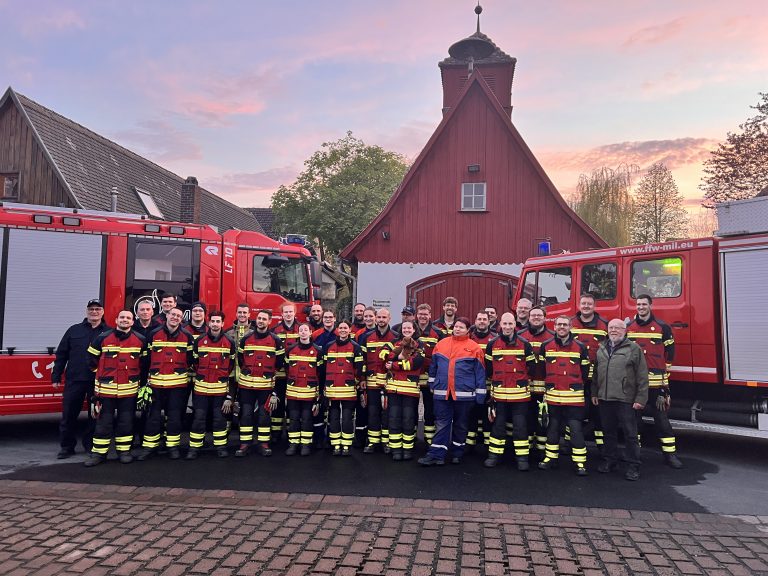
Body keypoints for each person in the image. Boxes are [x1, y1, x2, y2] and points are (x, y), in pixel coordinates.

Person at [418, 317, 486, 466]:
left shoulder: (474, 348)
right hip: (442, 392)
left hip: (464, 395)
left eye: (461, 327)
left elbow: (480, 373)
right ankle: (436, 455)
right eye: (456, 326)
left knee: (461, 425)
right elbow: (433, 367)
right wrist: (432, 384)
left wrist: (480, 394)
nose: (457, 329)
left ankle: (457, 453)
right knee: (442, 424)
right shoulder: (441, 344)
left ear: (468, 330)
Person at [84, 309, 147, 467]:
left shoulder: (140, 340)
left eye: (128, 318)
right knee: (103, 423)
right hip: (105, 390)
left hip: (129, 390)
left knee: (126, 422)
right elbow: (91, 360)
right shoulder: (102, 338)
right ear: (116, 320)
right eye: (122, 317)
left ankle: (124, 452)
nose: (125, 320)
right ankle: (99, 453)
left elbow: (144, 363)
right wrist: (100, 374)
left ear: (133, 322)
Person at [627, 294, 683, 469]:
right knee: (635, 421)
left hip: (657, 385)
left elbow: (670, 350)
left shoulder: (662, 327)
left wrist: (665, 376)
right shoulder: (629, 327)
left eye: (644, 304)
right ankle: (635, 454)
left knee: (661, 420)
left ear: (650, 305)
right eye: (638, 304)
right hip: (636, 385)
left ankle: (670, 455)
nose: (641, 307)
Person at [52, 298, 109, 458]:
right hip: (75, 380)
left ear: (102, 312)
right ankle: (66, 447)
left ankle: (90, 445)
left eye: (97, 309)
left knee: (94, 416)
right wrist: (56, 375)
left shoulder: (109, 332)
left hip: (97, 382)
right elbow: (62, 354)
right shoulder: (74, 330)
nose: (94, 312)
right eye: (91, 309)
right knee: (69, 415)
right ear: (86, 311)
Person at [592, 319, 649, 481]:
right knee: (608, 432)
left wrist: (641, 398)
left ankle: (633, 465)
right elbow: (596, 374)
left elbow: (642, 375)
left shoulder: (634, 349)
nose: (613, 330)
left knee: (630, 434)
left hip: (625, 399)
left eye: (617, 328)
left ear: (625, 330)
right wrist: (595, 393)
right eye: (611, 327)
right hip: (605, 398)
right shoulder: (602, 348)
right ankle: (610, 461)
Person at [137, 307, 193, 460]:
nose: (175, 317)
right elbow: (145, 359)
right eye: (173, 314)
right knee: (153, 417)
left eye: (178, 316)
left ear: (181, 319)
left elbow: (190, 359)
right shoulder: (153, 334)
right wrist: (145, 382)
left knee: (174, 417)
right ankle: (150, 447)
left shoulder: (187, 336)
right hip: (155, 384)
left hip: (177, 386)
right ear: (167, 315)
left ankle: (172, 447)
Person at [539, 316, 591, 476]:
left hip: (574, 397)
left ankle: (580, 462)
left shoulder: (580, 347)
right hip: (553, 395)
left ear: (570, 327)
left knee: (575, 429)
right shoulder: (545, 346)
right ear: (554, 326)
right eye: (559, 324)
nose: (562, 327)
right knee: (553, 428)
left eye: (565, 324)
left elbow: (585, 372)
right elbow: (542, 370)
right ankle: (550, 458)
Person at [483, 312, 536, 470]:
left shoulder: (525, 344)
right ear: (500, 324)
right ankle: (494, 456)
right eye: (505, 324)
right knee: (498, 425)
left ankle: (522, 458)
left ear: (515, 324)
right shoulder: (492, 344)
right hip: (499, 395)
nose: (507, 327)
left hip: (520, 396)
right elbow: (489, 368)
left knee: (520, 426)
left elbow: (532, 367)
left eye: (510, 324)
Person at [186, 311, 236, 460]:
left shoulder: (229, 342)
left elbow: (230, 366)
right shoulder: (199, 341)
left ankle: (220, 447)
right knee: (199, 418)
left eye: (218, 321)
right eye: (212, 321)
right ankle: (194, 447)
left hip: (220, 389)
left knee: (219, 418)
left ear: (222, 323)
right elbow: (195, 362)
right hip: (201, 389)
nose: (215, 324)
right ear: (209, 323)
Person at [235, 309, 284, 457]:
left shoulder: (276, 340)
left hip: (265, 386)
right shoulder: (246, 339)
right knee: (246, 414)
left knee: (264, 415)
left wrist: (272, 386)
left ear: (269, 321)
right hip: (246, 385)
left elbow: (279, 364)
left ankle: (263, 443)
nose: (261, 321)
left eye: (264, 319)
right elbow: (241, 359)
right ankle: (245, 444)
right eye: (259, 318)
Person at [571, 293, 608, 452]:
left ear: (594, 306)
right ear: (579, 305)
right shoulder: (570, 324)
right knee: (574, 413)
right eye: (583, 303)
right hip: (576, 377)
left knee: (598, 413)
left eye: (589, 304)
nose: (586, 306)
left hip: (597, 378)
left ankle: (602, 447)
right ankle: (571, 444)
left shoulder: (604, 325)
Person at [358, 308, 398, 453]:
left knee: (387, 412)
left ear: (389, 318)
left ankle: (386, 442)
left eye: (384, 317)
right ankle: (373, 442)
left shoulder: (395, 337)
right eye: (379, 317)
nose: (381, 320)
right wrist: (362, 378)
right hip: (371, 381)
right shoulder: (366, 337)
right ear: (376, 318)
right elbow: (361, 359)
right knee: (373, 411)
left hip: (389, 382)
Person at [384, 321, 425, 461]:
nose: (406, 330)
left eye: (409, 328)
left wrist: (395, 365)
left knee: (408, 418)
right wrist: (399, 358)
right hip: (393, 388)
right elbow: (385, 357)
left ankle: (407, 449)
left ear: (414, 330)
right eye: (404, 328)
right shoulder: (393, 342)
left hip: (410, 389)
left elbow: (416, 363)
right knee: (394, 418)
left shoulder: (420, 344)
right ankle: (396, 449)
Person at [323, 320, 364, 456]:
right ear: (337, 329)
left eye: (345, 328)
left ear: (349, 330)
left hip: (348, 390)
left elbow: (359, 369)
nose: (343, 330)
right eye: (340, 328)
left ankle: (346, 445)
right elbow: (323, 367)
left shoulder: (355, 347)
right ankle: (335, 444)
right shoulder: (328, 346)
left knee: (347, 418)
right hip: (332, 389)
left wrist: (355, 382)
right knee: (334, 417)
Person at [517, 306, 554, 458]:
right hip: (524, 388)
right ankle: (526, 449)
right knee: (525, 419)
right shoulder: (519, 336)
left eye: (539, 315)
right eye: (533, 315)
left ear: (545, 318)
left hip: (543, 388)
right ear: (529, 317)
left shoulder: (552, 337)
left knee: (543, 421)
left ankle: (541, 450)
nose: (536, 318)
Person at [284, 323, 323, 456]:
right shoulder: (290, 350)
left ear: (310, 332)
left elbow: (320, 373)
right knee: (293, 418)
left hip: (309, 392)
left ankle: (306, 444)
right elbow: (287, 368)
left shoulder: (318, 351)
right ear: (298, 333)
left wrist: (318, 396)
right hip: (293, 391)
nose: (303, 332)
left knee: (307, 418)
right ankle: (293, 444)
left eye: (306, 330)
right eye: (301, 330)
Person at [415, 303, 443, 444]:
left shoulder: (438, 333)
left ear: (430, 315)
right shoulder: (410, 330)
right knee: (411, 409)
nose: (423, 317)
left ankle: (429, 438)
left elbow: (441, 357)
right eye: (420, 314)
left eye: (425, 314)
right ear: (417, 315)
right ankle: (411, 436)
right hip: (413, 378)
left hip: (429, 379)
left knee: (430, 409)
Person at [271, 303, 300, 443]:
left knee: (293, 405)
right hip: (280, 374)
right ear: (282, 314)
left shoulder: (301, 329)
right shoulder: (275, 330)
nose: (288, 314)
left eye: (290, 312)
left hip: (296, 374)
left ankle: (291, 431)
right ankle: (276, 433)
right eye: (286, 312)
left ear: (295, 313)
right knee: (278, 403)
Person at [468, 311, 494, 448]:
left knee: (486, 415)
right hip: (471, 384)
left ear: (489, 322)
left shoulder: (495, 338)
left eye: (484, 319)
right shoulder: (469, 338)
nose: (482, 321)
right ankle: (469, 444)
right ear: (475, 321)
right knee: (471, 414)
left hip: (488, 384)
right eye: (479, 319)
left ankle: (487, 445)